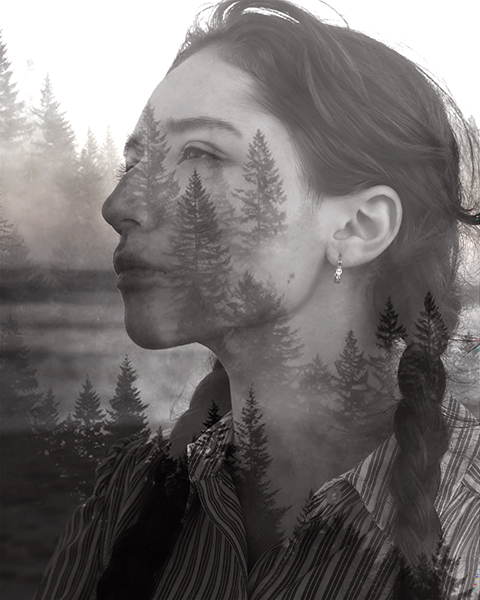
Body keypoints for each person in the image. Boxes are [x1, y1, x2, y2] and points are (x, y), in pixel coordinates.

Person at [35, 1, 479, 599]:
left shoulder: (466, 519)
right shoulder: (130, 498)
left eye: (199, 154)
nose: (119, 204)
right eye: (134, 161)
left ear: (358, 227)